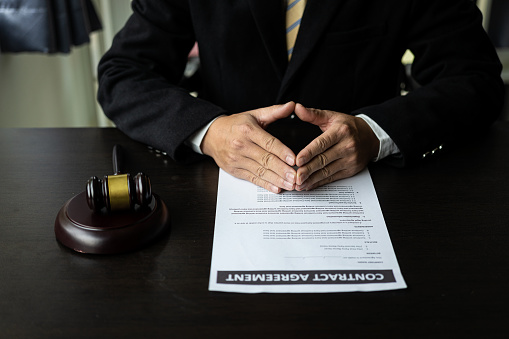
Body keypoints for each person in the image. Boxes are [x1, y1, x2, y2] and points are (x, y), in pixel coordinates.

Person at [97, 0, 504, 194]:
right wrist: (210, 131)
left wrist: (375, 133)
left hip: (380, 190)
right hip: (217, 190)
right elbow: (123, 73)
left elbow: (476, 78)